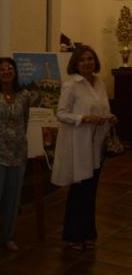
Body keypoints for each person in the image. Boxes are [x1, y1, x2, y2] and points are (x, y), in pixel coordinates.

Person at [51, 45, 116, 251]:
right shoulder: (71, 86)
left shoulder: (100, 83)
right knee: (79, 191)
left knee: (91, 191)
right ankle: (72, 235)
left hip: (97, 145)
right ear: (76, 64)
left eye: (90, 58)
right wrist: (83, 118)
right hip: (79, 145)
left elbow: (103, 108)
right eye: (83, 60)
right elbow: (60, 114)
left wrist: (109, 118)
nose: (87, 62)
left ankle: (88, 233)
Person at [0, 57, 34, 252]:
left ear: (16, 72)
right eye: (2, 69)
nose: (7, 71)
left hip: (18, 152)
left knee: (13, 196)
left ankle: (7, 236)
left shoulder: (25, 95)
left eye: (10, 68)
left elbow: (25, 121)